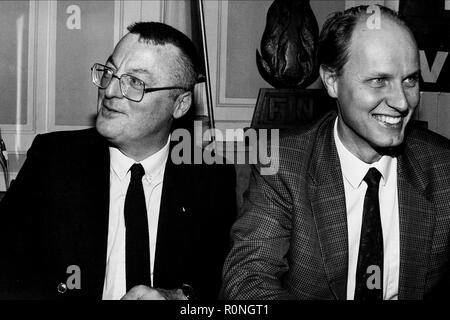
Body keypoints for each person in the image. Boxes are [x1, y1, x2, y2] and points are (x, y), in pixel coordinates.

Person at [222, 5, 450, 300]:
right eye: (379, 80)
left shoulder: (443, 167)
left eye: (410, 80)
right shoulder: (283, 163)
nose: (402, 102)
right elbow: (247, 281)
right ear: (332, 81)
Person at [0, 22, 236, 300]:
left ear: (180, 104)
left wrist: (179, 297)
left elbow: (216, 281)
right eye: (110, 72)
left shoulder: (210, 177)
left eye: (135, 82)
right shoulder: (54, 159)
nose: (109, 91)